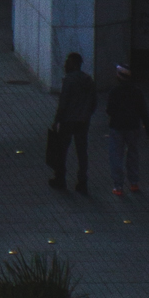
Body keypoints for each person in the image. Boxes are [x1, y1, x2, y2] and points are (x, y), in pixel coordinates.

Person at [49, 51, 97, 193]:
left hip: (68, 121)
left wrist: (57, 119)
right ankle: (82, 182)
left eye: (68, 63)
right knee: (82, 152)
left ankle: (60, 179)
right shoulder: (88, 80)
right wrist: (87, 114)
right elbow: (94, 102)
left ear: (74, 64)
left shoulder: (69, 80)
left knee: (62, 150)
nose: (65, 65)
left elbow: (63, 103)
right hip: (83, 121)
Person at [105, 63, 149, 195]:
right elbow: (143, 111)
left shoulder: (114, 91)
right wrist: (148, 129)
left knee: (116, 155)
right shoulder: (137, 91)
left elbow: (109, 110)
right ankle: (134, 183)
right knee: (133, 154)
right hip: (133, 126)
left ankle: (118, 186)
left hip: (117, 127)